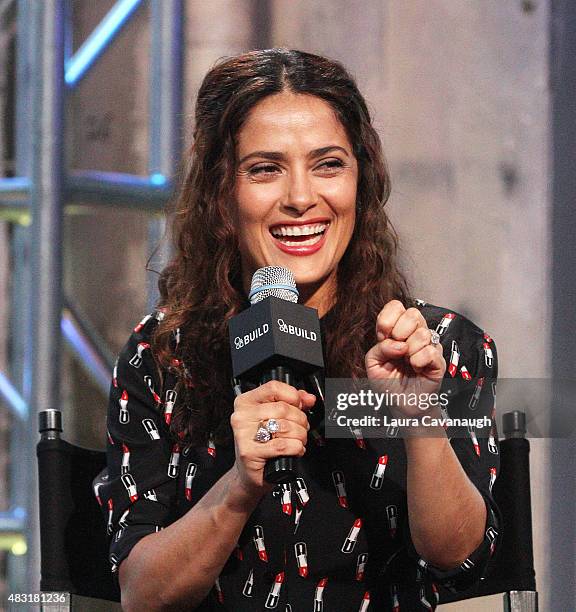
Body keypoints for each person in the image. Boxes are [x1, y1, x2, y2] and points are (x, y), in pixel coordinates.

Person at [95, 48, 500, 611]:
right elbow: (142, 595)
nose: (301, 198)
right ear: (220, 192)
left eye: (328, 164)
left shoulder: (439, 347)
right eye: (265, 169)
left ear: (362, 179)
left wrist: (420, 419)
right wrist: (240, 484)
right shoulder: (162, 357)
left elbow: (457, 556)